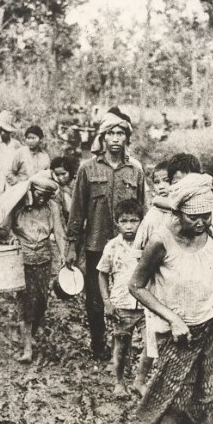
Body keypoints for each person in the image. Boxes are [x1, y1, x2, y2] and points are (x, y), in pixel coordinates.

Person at [129, 173, 213, 424]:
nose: (201, 222)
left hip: (209, 323)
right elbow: (136, 286)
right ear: (177, 212)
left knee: (210, 394)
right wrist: (172, 317)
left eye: (205, 215)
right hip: (175, 331)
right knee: (170, 387)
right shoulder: (161, 239)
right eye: (193, 217)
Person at [66, 107, 146, 361]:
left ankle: (120, 344)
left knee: (126, 293)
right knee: (96, 298)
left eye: (120, 133)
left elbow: (144, 209)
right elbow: (77, 210)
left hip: (128, 246)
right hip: (96, 243)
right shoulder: (87, 169)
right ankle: (98, 343)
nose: (115, 138)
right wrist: (71, 245)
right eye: (110, 133)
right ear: (102, 137)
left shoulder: (135, 170)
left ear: (126, 138)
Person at [11, 170, 67, 363]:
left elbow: (59, 233)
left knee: (41, 300)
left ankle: (34, 332)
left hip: (43, 259)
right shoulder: (18, 205)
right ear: (31, 191)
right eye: (39, 195)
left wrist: (63, 255)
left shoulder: (52, 207)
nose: (42, 199)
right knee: (25, 302)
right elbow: (4, 227)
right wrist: (10, 238)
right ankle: (27, 348)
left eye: (46, 196)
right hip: (22, 259)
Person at [97, 199, 146, 396]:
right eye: (123, 221)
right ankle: (119, 382)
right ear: (116, 222)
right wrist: (107, 302)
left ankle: (140, 380)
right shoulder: (112, 246)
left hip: (145, 305)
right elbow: (102, 273)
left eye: (133, 221)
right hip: (122, 304)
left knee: (151, 345)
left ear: (141, 222)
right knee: (121, 346)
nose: (128, 226)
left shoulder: (147, 244)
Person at [132, 160, 171, 392]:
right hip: (155, 286)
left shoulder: (181, 213)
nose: (162, 186)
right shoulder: (152, 218)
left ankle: (164, 381)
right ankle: (140, 380)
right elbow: (137, 251)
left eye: (167, 181)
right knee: (154, 336)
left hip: (174, 285)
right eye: (157, 182)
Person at [50, 155, 77, 225]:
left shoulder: (78, 183)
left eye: (63, 174)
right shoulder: (55, 186)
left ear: (70, 171)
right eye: (57, 175)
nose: (60, 178)